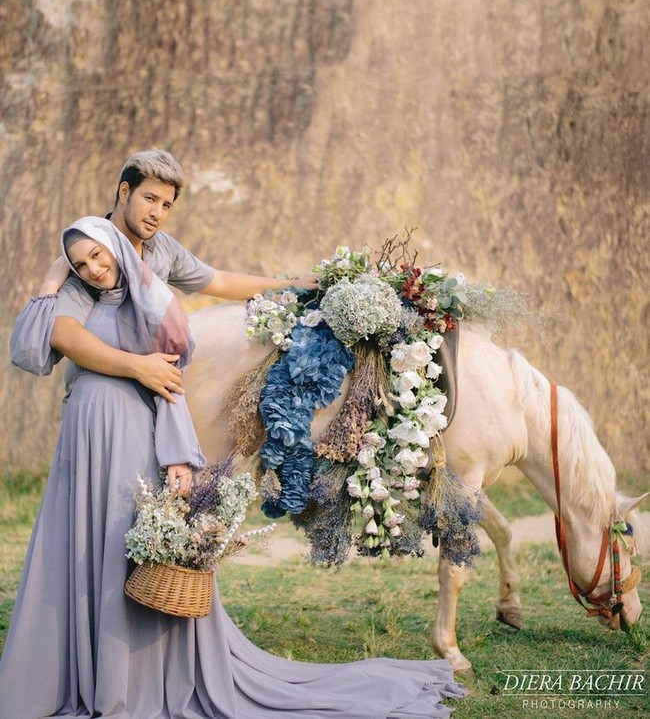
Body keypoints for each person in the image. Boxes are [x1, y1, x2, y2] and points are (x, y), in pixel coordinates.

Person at [0, 216, 466, 718]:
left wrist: (178, 455)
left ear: (116, 247)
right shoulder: (77, 299)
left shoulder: (154, 303)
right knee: (78, 549)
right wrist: (51, 280)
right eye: (79, 263)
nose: (91, 268)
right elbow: (29, 351)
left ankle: (127, 681)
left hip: (131, 435)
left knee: (122, 548)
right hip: (81, 440)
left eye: (97, 255)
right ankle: (72, 673)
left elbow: (174, 379)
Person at [32, 148, 319, 403]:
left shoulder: (162, 248)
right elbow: (64, 334)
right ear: (124, 192)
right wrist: (138, 367)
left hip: (151, 394)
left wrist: (291, 287)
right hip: (100, 397)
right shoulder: (90, 250)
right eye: (150, 198)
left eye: (166, 205)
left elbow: (217, 280)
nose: (157, 213)